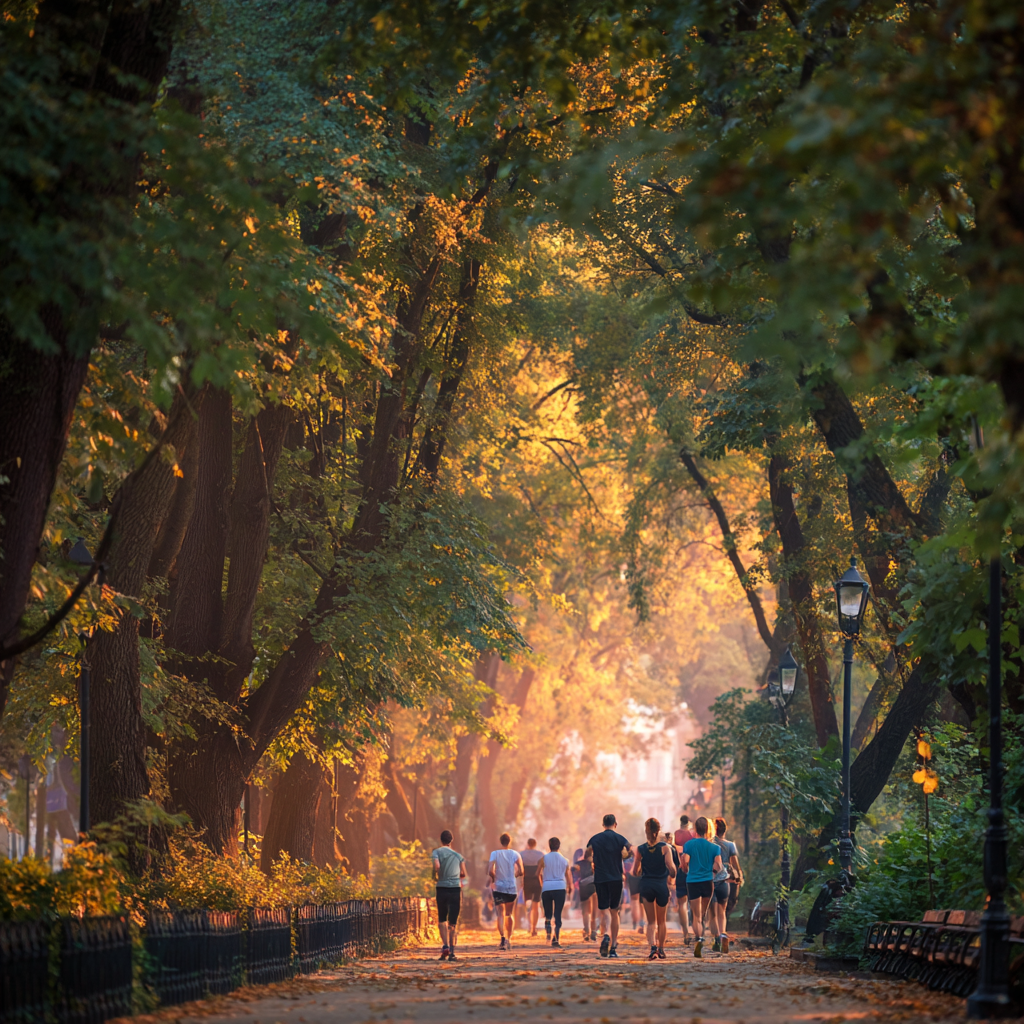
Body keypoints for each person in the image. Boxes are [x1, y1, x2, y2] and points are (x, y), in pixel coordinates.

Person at [585, 813, 632, 958]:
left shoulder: (595, 838)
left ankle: (605, 934)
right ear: (615, 824)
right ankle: (613, 946)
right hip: (616, 878)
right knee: (615, 911)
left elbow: (587, 854)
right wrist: (624, 856)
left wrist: (594, 860)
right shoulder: (620, 838)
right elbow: (631, 850)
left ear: (603, 824)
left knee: (604, 910)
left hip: (600, 878)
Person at [632, 817, 677, 959]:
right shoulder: (665, 848)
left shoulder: (641, 849)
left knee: (651, 921)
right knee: (661, 921)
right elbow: (672, 870)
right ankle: (661, 949)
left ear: (646, 831)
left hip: (646, 886)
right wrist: (671, 871)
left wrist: (644, 868)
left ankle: (652, 947)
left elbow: (635, 872)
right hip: (661, 886)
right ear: (658, 831)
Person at [682, 816, 723, 958]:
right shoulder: (715, 847)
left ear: (695, 829)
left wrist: (686, 869)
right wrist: (712, 872)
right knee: (703, 914)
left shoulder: (689, 845)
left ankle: (698, 939)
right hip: (707, 882)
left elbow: (685, 861)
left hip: (692, 881)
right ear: (708, 829)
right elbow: (719, 865)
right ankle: (704, 934)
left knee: (696, 915)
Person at [431, 829, 466, 961]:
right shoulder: (458, 856)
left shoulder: (436, 852)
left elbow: (436, 866)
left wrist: (437, 873)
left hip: (441, 888)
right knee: (453, 921)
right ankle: (452, 951)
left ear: (441, 840)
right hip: (455, 889)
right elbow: (463, 874)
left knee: (442, 918)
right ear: (452, 840)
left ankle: (445, 945)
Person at [488, 832, 524, 951]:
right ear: (510, 842)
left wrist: (494, 878)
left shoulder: (494, 854)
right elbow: (521, 870)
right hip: (511, 888)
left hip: (498, 888)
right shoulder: (515, 854)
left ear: (500, 841)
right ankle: (509, 938)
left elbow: (490, 870)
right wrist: (514, 875)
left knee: (500, 913)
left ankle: (502, 938)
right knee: (509, 913)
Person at [711, 817, 743, 954]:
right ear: (725, 829)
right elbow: (735, 865)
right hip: (725, 881)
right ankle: (723, 934)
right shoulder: (730, 845)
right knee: (722, 912)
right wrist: (740, 877)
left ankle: (717, 939)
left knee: (712, 913)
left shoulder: (709, 844)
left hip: (710, 880)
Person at [538, 836, 572, 947]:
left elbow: (537, 873)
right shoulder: (565, 860)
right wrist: (570, 886)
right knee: (558, 913)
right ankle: (556, 938)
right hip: (560, 887)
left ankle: (548, 930)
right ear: (559, 846)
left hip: (547, 887)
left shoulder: (544, 858)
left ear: (549, 846)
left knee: (548, 913)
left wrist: (542, 882)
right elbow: (568, 876)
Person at [674, 814, 696, 944]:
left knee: (682, 904)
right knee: (694, 903)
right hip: (693, 870)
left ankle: (686, 933)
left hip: (680, 870)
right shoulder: (693, 835)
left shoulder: (676, 834)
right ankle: (696, 931)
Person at [520, 837, 545, 936]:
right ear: (535, 844)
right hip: (537, 880)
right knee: (536, 905)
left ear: (528, 844)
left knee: (528, 905)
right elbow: (543, 868)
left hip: (526, 880)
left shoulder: (521, 854)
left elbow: (520, 868)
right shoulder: (541, 855)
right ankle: (534, 928)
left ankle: (530, 926)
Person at [575, 846, 598, 940]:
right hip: (594, 885)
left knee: (585, 911)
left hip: (583, 885)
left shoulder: (579, 863)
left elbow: (574, 871)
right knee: (594, 911)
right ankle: (594, 931)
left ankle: (586, 930)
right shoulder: (597, 863)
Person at [624, 849, 644, 933]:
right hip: (640, 876)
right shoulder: (640, 857)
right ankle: (642, 922)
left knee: (634, 901)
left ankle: (635, 922)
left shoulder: (625, 860)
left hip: (631, 877)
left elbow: (624, 871)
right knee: (642, 902)